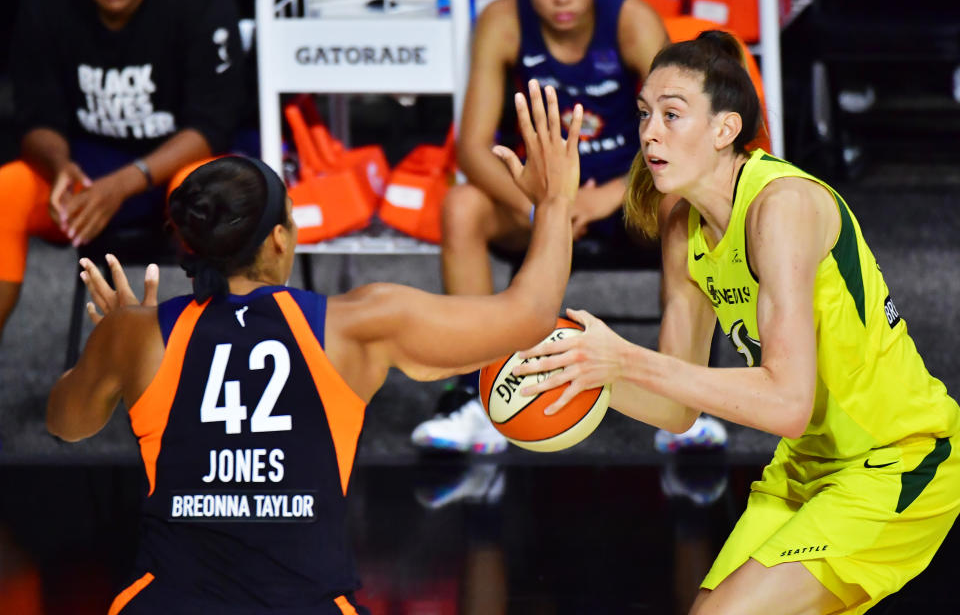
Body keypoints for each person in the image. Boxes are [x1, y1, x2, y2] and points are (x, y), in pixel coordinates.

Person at [46, 82, 581, 613]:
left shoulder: (136, 334)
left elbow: (65, 424)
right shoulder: (355, 326)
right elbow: (530, 316)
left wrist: (109, 346)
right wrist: (554, 202)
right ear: (280, 239)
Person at [515, 32, 960, 613]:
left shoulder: (782, 208)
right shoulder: (684, 226)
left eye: (673, 115)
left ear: (725, 130)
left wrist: (624, 358)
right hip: (807, 467)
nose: (649, 132)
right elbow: (677, 407)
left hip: (899, 462)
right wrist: (577, 371)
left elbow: (787, 402)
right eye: (645, 114)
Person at [410, 0, 681, 455]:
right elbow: (472, 149)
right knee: (462, 205)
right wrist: (544, 204)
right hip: (537, 199)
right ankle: (473, 393)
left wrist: (611, 195)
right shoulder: (502, 21)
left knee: (682, 203)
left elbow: (681, 132)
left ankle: (681, 395)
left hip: (625, 197)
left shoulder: (632, 20)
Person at [0, 0, 245, 339]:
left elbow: (213, 125)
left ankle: (228, 362)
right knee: (9, 189)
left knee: (214, 193)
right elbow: (35, 117)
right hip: (89, 169)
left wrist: (123, 184)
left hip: (178, 166)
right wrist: (59, 166)